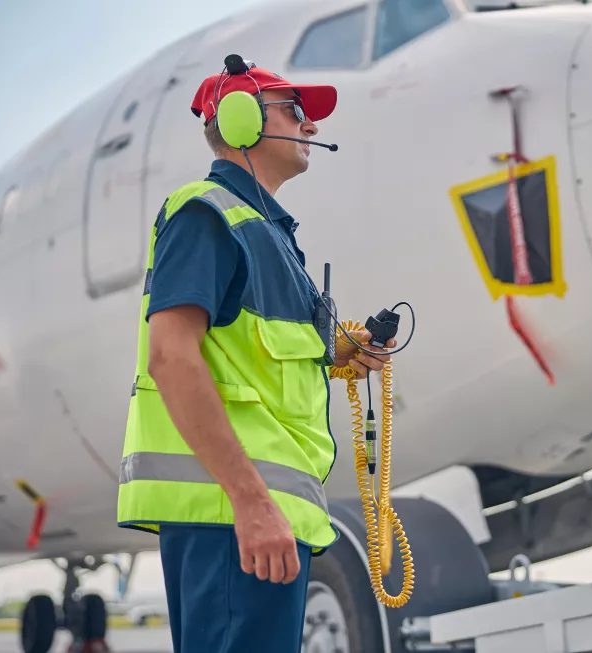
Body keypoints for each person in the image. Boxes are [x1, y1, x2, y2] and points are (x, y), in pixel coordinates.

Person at [116, 59, 395, 653]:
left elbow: (258, 361)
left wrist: (341, 351)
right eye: (294, 110)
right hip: (232, 516)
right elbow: (171, 357)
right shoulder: (207, 215)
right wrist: (251, 503)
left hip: (261, 516)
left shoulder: (270, 236)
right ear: (241, 121)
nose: (311, 126)